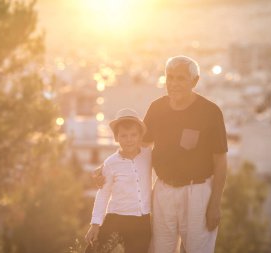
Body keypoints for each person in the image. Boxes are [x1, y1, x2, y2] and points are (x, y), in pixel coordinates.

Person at [94, 55, 227, 253]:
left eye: (180, 78)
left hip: (197, 192)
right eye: (170, 77)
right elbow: (137, 147)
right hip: (163, 192)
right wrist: (106, 167)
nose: (173, 83)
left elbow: (221, 161)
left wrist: (215, 204)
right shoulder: (157, 108)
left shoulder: (210, 112)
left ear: (195, 81)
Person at [85, 108, 152, 253]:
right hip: (116, 218)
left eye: (133, 135)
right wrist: (95, 224)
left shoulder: (148, 156)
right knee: (94, 249)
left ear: (141, 136)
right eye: (124, 136)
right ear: (116, 138)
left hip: (142, 221)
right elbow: (103, 194)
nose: (129, 140)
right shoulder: (110, 163)